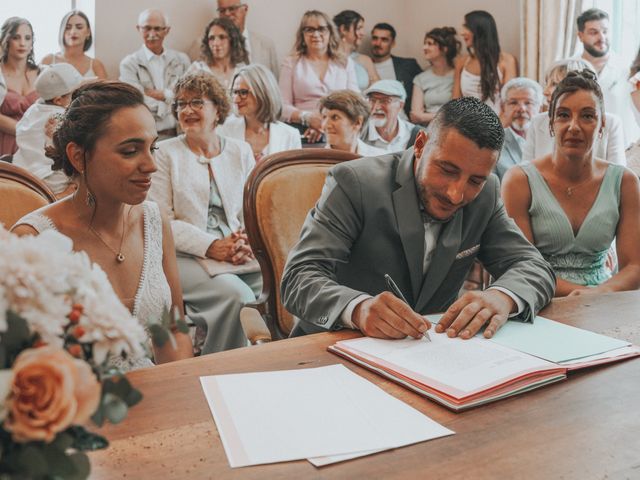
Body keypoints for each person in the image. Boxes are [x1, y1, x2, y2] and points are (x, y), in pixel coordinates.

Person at [281, 97, 555, 339]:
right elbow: (298, 277)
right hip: (336, 348)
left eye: (475, 180)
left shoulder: (487, 194)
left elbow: (534, 267)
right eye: (447, 169)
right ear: (421, 144)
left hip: (433, 355)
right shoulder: (354, 183)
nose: (456, 194)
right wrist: (358, 308)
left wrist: (503, 296)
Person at [11, 81, 193, 369]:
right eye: (130, 151)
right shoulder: (33, 241)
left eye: (152, 148)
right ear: (78, 156)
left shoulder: (155, 221)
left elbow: (173, 329)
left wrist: (180, 390)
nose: (151, 165)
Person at [148, 72, 260, 355]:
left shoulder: (240, 151)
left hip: (238, 251)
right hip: (182, 256)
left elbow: (251, 209)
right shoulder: (164, 152)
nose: (186, 110)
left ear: (218, 110)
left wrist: (246, 241)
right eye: (180, 104)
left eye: (196, 102)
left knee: (286, 282)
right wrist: (211, 246)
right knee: (239, 297)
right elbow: (162, 220)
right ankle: (222, 371)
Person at [503, 70, 640, 297]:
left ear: (602, 124)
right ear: (550, 124)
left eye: (587, 116)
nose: (574, 126)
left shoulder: (625, 183)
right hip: (537, 299)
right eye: (564, 115)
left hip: (602, 301)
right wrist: (581, 294)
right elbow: (521, 266)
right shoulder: (519, 180)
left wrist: (598, 294)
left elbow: (634, 267)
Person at [523, 59, 626, 166]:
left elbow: (618, 175)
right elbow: (526, 171)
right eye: (546, 84)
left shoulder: (611, 123)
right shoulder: (537, 122)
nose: (545, 91)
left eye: (554, 84)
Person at [279, 10, 358, 144]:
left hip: (339, 127)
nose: (316, 34)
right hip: (300, 128)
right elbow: (281, 106)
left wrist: (325, 123)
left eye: (321, 29)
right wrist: (308, 118)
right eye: (309, 29)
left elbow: (355, 101)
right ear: (302, 34)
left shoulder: (345, 63)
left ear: (330, 32)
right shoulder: (291, 63)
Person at [119, 9, 190, 141]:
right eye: (147, 28)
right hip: (147, 138)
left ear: (166, 30)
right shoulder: (129, 64)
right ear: (138, 29)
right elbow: (135, 101)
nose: (152, 34)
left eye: (157, 29)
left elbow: (187, 96)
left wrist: (164, 95)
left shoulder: (182, 60)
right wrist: (172, 101)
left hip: (181, 134)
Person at [13, 64, 83, 196]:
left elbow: (21, 132)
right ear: (58, 100)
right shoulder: (61, 117)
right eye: (76, 94)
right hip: (50, 174)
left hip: (25, 169)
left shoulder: (35, 108)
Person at [576, 8, 639, 147]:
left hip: (622, 146)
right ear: (580, 35)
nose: (601, 37)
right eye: (594, 32)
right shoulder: (568, 68)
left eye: (605, 31)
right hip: (581, 147)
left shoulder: (627, 69)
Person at [218, 64, 300, 162]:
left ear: (263, 92)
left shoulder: (290, 135)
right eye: (234, 92)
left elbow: (294, 175)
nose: (236, 99)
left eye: (243, 93)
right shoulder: (224, 130)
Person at [188, 1, 278, 78]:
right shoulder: (199, 46)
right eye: (222, 10)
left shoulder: (266, 46)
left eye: (232, 8)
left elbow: (275, 91)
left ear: (245, 9)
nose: (227, 14)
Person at [453, 10, 517, 114]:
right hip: (467, 123)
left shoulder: (507, 61)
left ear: (480, 30)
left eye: (467, 27)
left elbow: (509, 102)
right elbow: (455, 102)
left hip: (496, 123)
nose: (462, 32)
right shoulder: (461, 62)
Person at [0, 17, 39, 155]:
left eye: (27, 38)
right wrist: (24, 130)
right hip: (5, 143)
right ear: (6, 40)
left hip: (36, 146)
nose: (22, 43)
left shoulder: (42, 73)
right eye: (16, 37)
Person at [494, 77, 543, 181]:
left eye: (528, 103)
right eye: (513, 103)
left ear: (540, 108)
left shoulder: (549, 139)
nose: (521, 109)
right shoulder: (494, 143)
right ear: (503, 107)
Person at [369, 23, 422, 117]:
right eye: (375, 38)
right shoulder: (363, 67)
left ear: (393, 43)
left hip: (404, 120)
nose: (378, 43)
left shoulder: (408, 65)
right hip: (374, 120)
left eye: (384, 40)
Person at [410, 27, 460, 126]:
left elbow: (458, 113)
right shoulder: (420, 78)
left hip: (453, 128)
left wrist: (424, 116)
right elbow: (415, 116)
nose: (424, 48)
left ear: (444, 49)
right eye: (424, 44)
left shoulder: (458, 76)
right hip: (428, 129)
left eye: (430, 44)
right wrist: (446, 116)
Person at [41, 10, 107, 79]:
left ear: (88, 32)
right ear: (62, 32)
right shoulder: (48, 61)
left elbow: (106, 89)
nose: (73, 31)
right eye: (68, 28)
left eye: (79, 27)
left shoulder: (96, 65)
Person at [361, 79, 422, 153]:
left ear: (400, 106)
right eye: (372, 100)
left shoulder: (416, 135)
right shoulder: (359, 132)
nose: (376, 107)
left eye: (385, 101)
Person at [188, 17, 248, 90]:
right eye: (211, 38)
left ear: (232, 40)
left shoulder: (243, 70)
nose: (216, 43)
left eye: (222, 37)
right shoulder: (197, 70)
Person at [319, 90, 385, 156]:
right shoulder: (315, 160)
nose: (326, 125)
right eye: (324, 117)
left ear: (357, 122)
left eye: (335, 117)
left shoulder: (381, 158)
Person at [333, 10, 379, 90]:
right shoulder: (328, 59)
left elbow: (379, 89)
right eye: (358, 28)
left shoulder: (365, 60)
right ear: (343, 29)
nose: (362, 33)